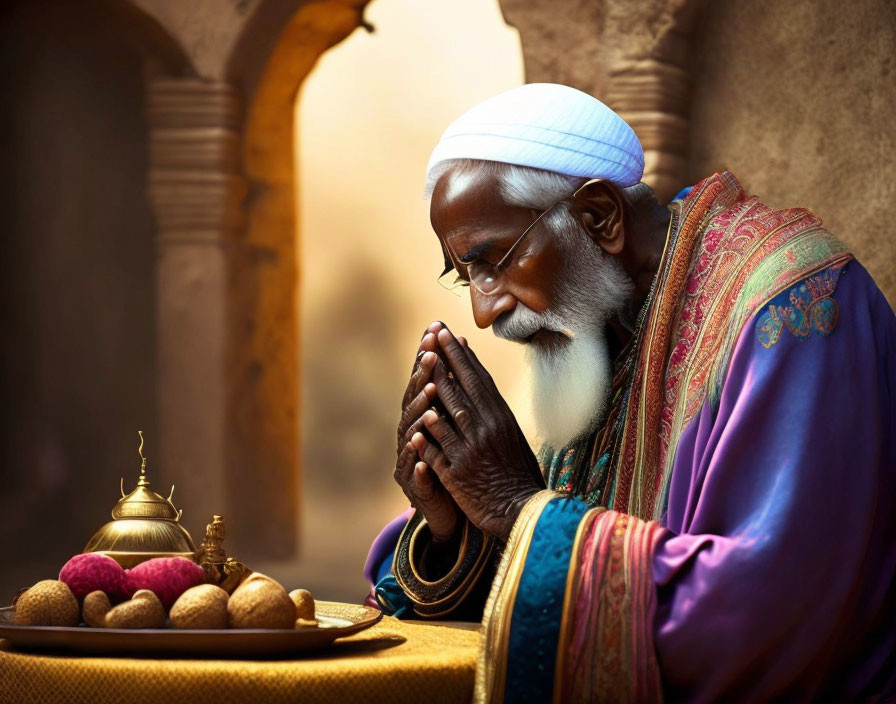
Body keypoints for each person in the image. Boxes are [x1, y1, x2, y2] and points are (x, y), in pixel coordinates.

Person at [363, 83, 896, 702]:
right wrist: (458, 529)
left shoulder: (792, 304)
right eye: (467, 275)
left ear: (599, 219)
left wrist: (515, 506)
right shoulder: (607, 327)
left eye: (495, 260)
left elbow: (772, 613)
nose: (485, 311)